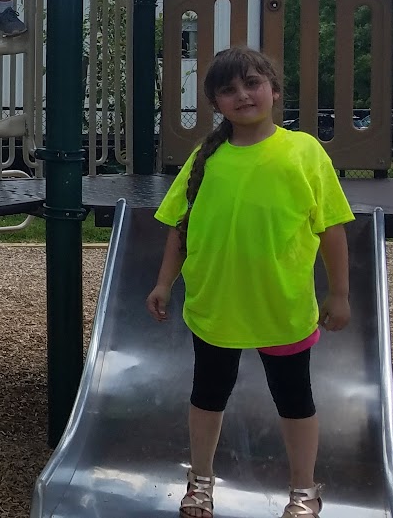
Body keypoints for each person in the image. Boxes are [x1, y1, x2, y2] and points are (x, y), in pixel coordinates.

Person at [145, 46, 351, 518]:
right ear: (216, 103)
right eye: (228, 90)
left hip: (281, 307)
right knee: (207, 397)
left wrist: (338, 293)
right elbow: (182, 229)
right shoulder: (206, 157)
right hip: (216, 305)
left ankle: (304, 489)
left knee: (295, 400)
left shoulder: (302, 151)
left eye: (253, 84)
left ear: (275, 91)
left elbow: (332, 227)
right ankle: (200, 481)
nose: (243, 95)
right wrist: (162, 284)